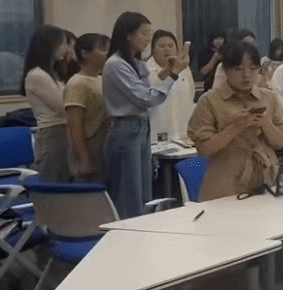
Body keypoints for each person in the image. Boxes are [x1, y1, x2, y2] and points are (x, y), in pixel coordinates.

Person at [169, 40, 283, 290]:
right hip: (223, 191)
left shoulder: (268, 98)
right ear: (226, 70)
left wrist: (263, 124)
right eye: (239, 68)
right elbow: (204, 148)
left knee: (255, 257)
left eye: (253, 68)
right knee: (209, 270)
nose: (247, 75)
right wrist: (237, 127)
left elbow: (280, 140)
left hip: (261, 187)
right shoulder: (211, 101)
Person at [104, 12, 188, 219]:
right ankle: (127, 235)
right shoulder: (116, 64)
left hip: (141, 128)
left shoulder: (135, 63)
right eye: (143, 34)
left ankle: (143, 232)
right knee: (129, 195)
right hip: (126, 129)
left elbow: (150, 88)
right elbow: (145, 98)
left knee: (144, 194)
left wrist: (169, 71)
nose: (147, 39)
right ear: (128, 34)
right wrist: (173, 74)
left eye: (149, 34)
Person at [22, 25, 72, 182]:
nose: (66, 49)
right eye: (63, 43)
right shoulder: (37, 75)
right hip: (53, 135)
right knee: (55, 184)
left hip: (63, 133)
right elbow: (63, 106)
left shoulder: (53, 73)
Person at [63, 33, 110, 183]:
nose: (107, 54)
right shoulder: (76, 83)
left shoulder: (102, 79)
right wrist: (84, 160)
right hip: (91, 147)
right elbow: (74, 125)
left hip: (105, 145)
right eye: (102, 50)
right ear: (85, 53)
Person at [146, 30, 196, 144]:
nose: (167, 49)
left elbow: (191, 95)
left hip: (183, 133)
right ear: (153, 49)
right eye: (161, 46)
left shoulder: (185, 70)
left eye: (171, 46)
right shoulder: (146, 70)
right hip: (156, 134)